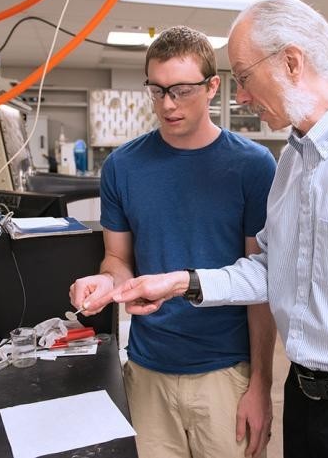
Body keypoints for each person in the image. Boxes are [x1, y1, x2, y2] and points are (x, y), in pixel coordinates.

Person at [101, 0, 328, 458]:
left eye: (245, 77)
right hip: (305, 398)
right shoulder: (293, 161)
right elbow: (271, 269)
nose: (241, 97)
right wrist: (181, 283)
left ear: (292, 62)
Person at [69, 26, 277, 458]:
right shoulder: (123, 167)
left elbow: (261, 284)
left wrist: (261, 383)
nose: (167, 104)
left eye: (181, 90)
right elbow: (117, 258)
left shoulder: (253, 166)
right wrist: (106, 282)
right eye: (157, 90)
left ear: (212, 86)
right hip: (148, 370)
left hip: (225, 371)